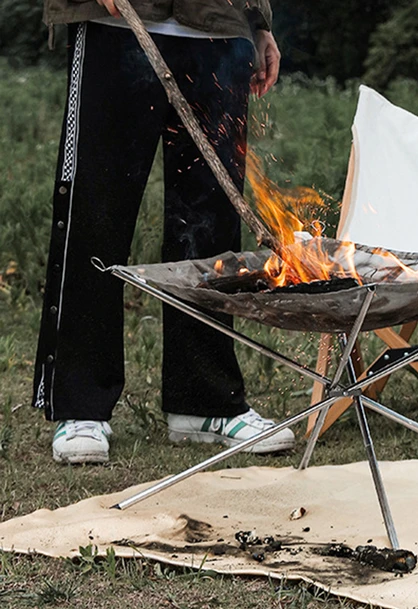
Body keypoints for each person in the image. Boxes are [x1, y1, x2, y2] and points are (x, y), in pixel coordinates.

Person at [33, 0, 295, 463]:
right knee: (96, 210)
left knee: (210, 221)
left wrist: (256, 21)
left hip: (217, 29)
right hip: (115, 23)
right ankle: (81, 406)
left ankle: (203, 402)